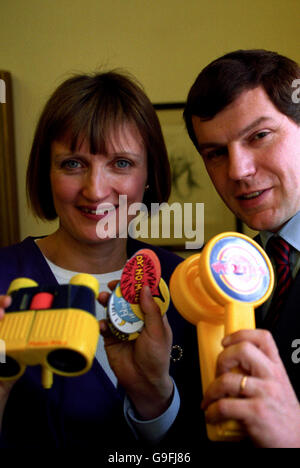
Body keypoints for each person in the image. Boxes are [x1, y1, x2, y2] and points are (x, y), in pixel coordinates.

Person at [0, 71, 203, 449]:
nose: (95, 190)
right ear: (47, 173)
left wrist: (154, 397)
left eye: (121, 163)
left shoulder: (187, 282)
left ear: (149, 176)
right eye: (73, 164)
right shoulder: (4, 277)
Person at [183, 49, 300, 447]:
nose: (237, 171)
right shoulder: (222, 275)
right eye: (215, 153)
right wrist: (151, 391)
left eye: (259, 136)